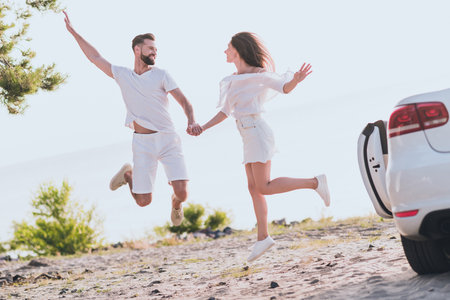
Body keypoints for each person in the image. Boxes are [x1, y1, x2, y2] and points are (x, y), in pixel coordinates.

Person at [193, 32, 330, 262]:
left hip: (257, 131)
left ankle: (315, 182)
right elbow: (225, 112)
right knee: (253, 187)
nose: (224, 52)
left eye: (227, 48)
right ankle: (263, 238)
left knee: (264, 186)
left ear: (237, 50)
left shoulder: (259, 75)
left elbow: (283, 87)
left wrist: (296, 79)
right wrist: (203, 128)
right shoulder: (233, 79)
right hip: (247, 134)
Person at [63, 11, 202, 226]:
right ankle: (129, 175)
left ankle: (175, 203)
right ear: (137, 50)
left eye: (156, 50)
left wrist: (191, 120)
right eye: (150, 49)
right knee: (143, 201)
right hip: (143, 143)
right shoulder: (122, 75)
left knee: (183, 193)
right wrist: (73, 32)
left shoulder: (161, 75)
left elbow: (185, 102)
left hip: (168, 139)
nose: (155, 53)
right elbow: (94, 57)